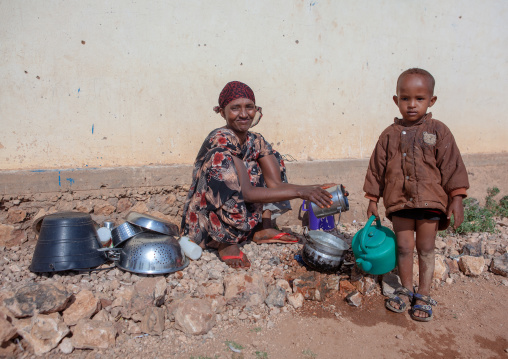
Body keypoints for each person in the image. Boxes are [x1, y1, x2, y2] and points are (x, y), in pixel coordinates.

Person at [181, 81, 334, 269]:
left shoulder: (255, 140)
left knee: (272, 157)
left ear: (256, 109)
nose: (244, 114)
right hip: (209, 223)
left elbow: (275, 184)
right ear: (222, 112)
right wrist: (301, 192)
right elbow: (247, 192)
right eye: (235, 108)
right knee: (219, 159)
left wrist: (314, 188)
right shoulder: (221, 138)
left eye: (249, 107)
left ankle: (264, 227)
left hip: (240, 214)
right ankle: (226, 242)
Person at [363, 68, 469, 322]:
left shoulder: (438, 131)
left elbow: (452, 165)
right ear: (396, 100)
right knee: (403, 246)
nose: (412, 105)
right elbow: (376, 168)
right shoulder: (388, 135)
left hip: (431, 201)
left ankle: (424, 293)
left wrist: (457, 198)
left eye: (419, 99)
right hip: (400, 201)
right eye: (405, 98)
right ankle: (405, 289)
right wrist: (372, 200)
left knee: (425, 247)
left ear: (431, 101)